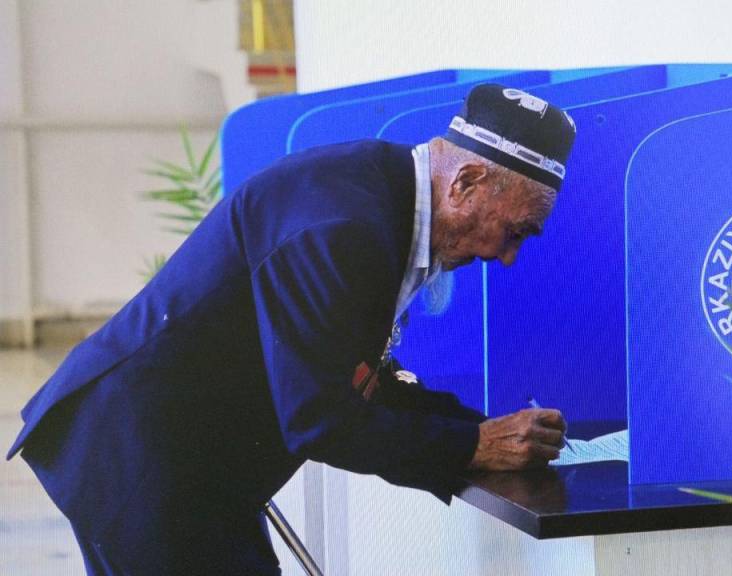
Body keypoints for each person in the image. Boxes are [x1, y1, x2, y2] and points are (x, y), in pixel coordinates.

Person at [6, 83, 577, 575]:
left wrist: (480, 432)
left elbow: (361, 376)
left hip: (194, 454)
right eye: (515, 231)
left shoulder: (387, 195)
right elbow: (319, 418)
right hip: (138, 458)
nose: (507, 257)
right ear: (466, 183)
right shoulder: (345, 228)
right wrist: (474, 445)